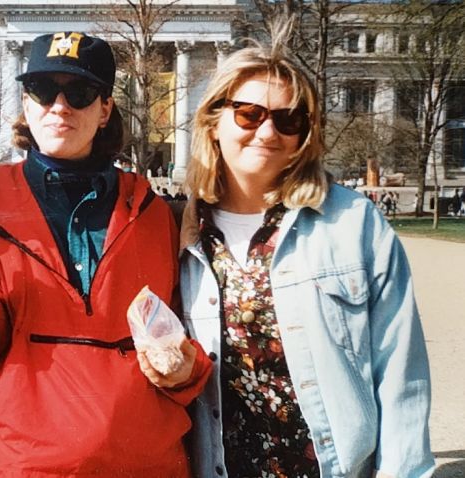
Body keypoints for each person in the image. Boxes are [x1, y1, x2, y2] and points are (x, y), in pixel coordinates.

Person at [0, 31, 211, 476]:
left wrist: (187, 370)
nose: (59, 106)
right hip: (23, 465)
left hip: (146, 462)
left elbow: (182, 338)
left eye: (79, 93)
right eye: (43, 91)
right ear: (26, 105)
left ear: (104, 111)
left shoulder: (153, 211)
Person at [179, 19, 434, 478]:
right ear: (214, 120)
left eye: (288, 118)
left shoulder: (352, 223)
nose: (267, 131)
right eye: (249, 114)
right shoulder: (181, 231)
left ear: (304, 135)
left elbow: (401, 373)